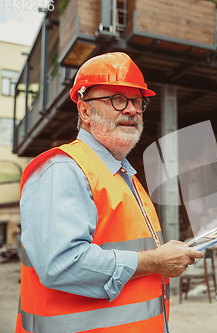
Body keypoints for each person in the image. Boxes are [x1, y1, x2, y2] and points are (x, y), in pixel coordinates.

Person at [15, 52, 204, 333]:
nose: (130, 110)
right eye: (116, 99)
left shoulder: (124, 176)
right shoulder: (63, 170)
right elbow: (63, 264)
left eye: (137, 101)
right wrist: (154, 261)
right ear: (85, 111)